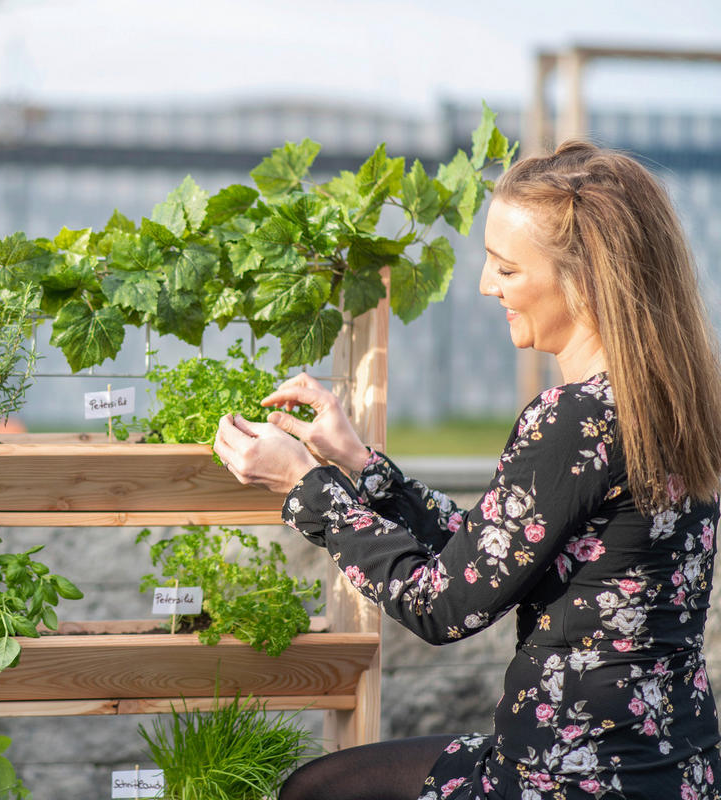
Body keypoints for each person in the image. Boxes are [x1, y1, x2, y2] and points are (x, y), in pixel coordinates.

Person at [212, 140, 721, 800]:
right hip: (675, 767)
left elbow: (443, 605)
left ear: (586, 279)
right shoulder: (671, 401)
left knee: (316, 791)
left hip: (569, 776)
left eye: (506, 268)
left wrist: (304, 488)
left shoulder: (574, 418)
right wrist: (361, 464)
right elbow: (494, 553)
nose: (485, 284)